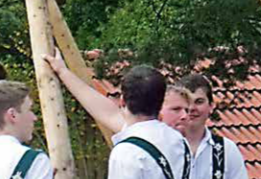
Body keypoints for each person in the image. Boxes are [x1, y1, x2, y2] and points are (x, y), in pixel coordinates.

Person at [43, 50, 190, 137]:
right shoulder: (142, 135)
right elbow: (105, 110)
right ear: (160, 106)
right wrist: (63, 72)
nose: (185, 116)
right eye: (176, 109)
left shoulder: (130, 148)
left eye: (186, 110)